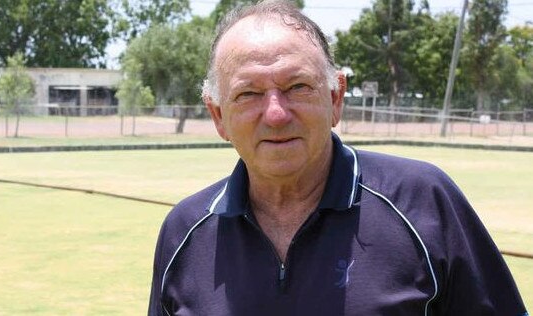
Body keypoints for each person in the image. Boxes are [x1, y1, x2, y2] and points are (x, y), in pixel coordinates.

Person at [148, 1, 528, 315]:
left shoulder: (423, 201)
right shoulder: (183, 232)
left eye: (297, 86)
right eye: (248, 94)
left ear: (335, 98)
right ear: (218, 116)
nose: (276, 114)